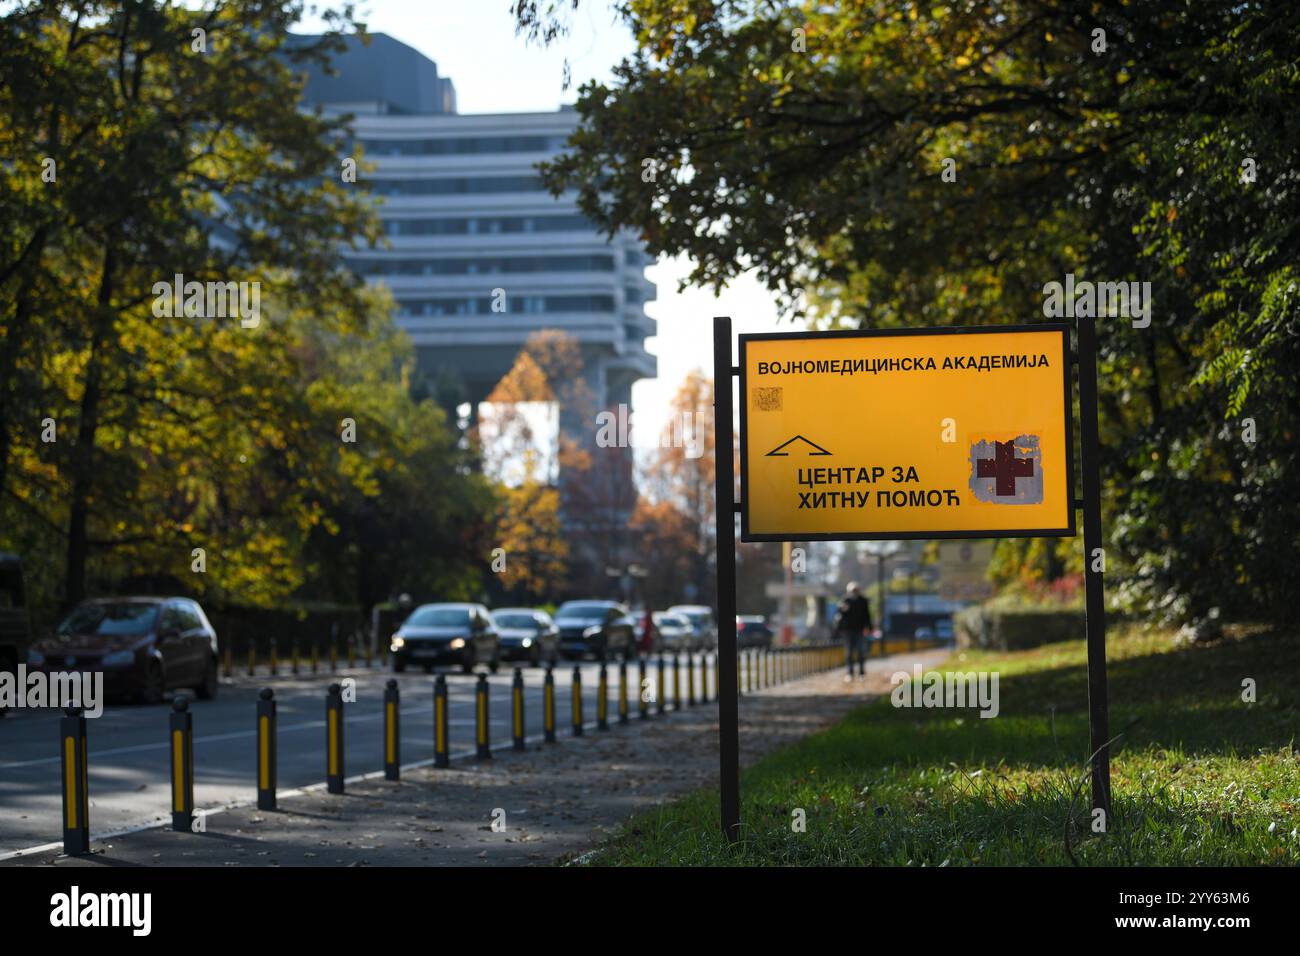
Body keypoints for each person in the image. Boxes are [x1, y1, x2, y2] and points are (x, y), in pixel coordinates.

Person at [834, 583, 873, 681]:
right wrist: (842, 609)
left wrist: (869, 627)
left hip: (859, 630)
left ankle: (861, 673)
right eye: (852, 590)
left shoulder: (863, 601)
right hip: (847, 631)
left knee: (860, 651)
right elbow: (839, 614)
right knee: (849, 652)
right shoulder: (845, 600)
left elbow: (867, 615)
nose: (854, 592)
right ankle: (850, 673)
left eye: (856, 590)